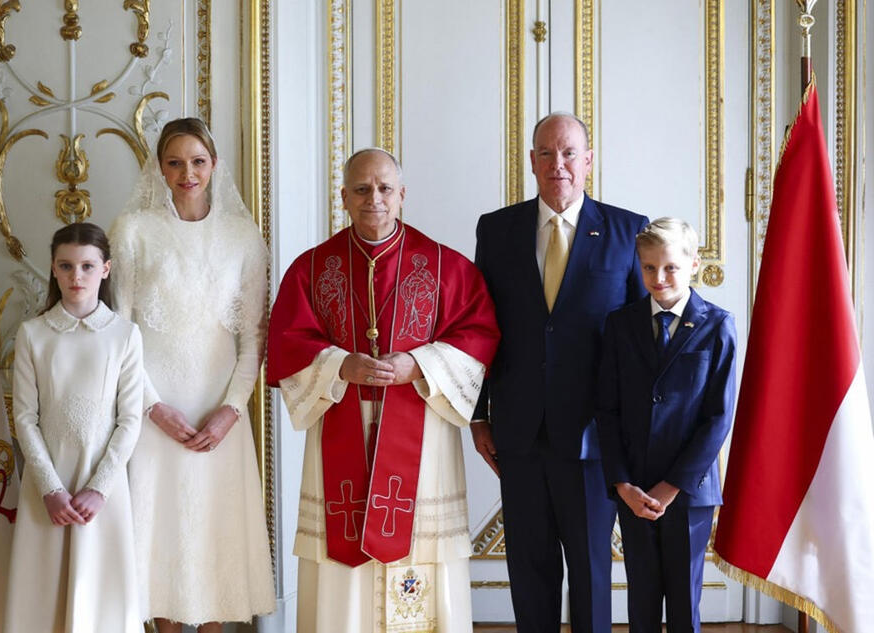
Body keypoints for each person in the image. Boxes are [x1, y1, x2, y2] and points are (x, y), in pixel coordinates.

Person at [267, 148, 500, 633]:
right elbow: (287, 342)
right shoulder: (314, 268)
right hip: (341, 419)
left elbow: (478, 336)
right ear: (344, 197)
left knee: (420, 550)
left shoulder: (446, 266)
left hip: (422, 432)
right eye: (361, 189)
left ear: (402, 195)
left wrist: (418, 364)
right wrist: (340, 365)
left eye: (384, 188)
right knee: (341, 550)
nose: (373, 198)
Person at [471, 112, 648, 633]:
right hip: (518, 435)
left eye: (569, 153)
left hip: (594, 438)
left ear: (588, 161)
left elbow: (638, 343)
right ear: (532, 161)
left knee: (592, 574)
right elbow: (479, 330)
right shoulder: (496, 229)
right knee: (530, 575)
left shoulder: (627, 230)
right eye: (547, 153)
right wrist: (479, 416)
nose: (558, 164)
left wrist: (632, 434)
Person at [109, 118, 275, 632]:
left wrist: (230, 412)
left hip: (218, 412)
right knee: (159, 533)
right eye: (175, 163)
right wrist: (152, 407)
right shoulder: (132, 231)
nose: (188, 174)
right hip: (153, 410)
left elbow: (254, 338)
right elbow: (121, 332)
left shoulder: (243, 236)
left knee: (212, 534)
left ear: (214, 165)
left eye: (198, 162)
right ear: (159, 169)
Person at [596, 218, 736, 633]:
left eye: (670, 267)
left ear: (693, 264)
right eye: (649, 267)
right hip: (634, 489)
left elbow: (718, 417)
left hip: (689, 492)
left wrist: (672, 486)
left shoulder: (717, 324)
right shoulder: (621, 324)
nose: (658, 278)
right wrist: (622, 483)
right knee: (641, 601)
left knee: (682, 604)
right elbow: (607, 410)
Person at [6, 222, 144, 633]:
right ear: (53, 268)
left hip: (103, 485)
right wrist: (50, 488)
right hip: (48, 484)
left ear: (105, 269)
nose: (76, 276)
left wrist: (100, 488)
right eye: (66, 266)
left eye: (87, 266)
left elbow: (130, 419)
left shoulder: (125, 335)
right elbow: (24, 418)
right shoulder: (33, 334)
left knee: (102, 593)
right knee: (44, 590)